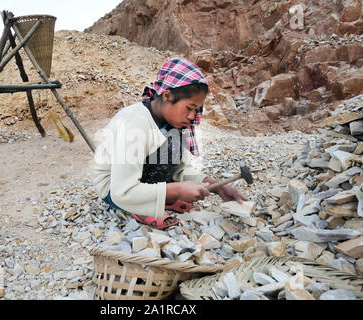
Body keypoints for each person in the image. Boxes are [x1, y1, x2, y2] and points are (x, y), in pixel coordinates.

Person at [92, 58, 248, 230]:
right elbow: (122, 192)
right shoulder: (135, 122)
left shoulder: (172, 122)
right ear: (167, 95)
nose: (192, 116)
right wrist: (177, 191)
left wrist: (216, 186)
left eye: (196, 110)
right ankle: (146, 207)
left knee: (171, 140)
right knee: (165, 146)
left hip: (143, 183)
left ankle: (160, 199)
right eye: (189, 108)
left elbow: (179, 171)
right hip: (114, 190)